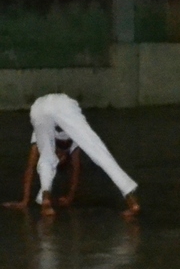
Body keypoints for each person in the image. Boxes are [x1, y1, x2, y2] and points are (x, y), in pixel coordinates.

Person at [3, 93, 140, 218]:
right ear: (66, 156)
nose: (60, 157)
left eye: (59, 158)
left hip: (40, 108)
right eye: (61, 159)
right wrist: (26, 201)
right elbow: (74, 168)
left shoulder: (52, 140)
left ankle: (46, 199)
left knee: (46, 157)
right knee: (98, 151)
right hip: (60, 105)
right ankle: (131, 199)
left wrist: (26, 201)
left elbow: (32, 167)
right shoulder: (71, 144)